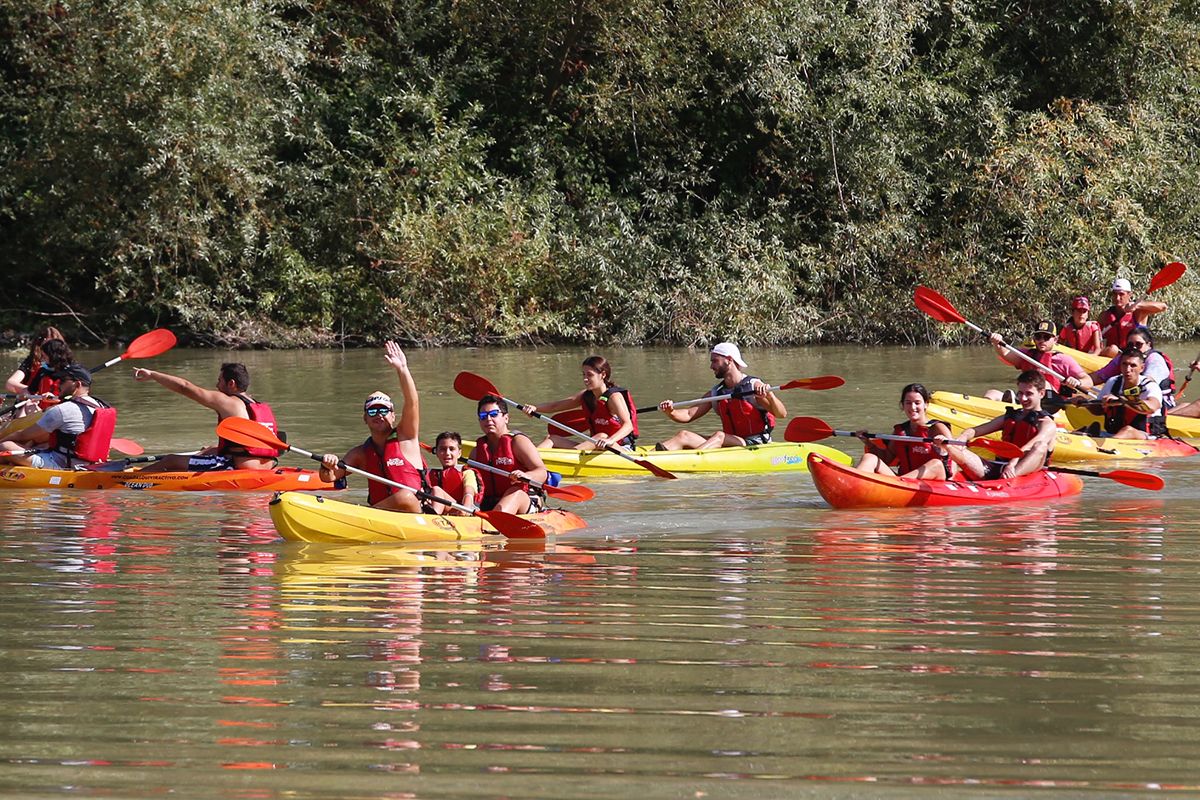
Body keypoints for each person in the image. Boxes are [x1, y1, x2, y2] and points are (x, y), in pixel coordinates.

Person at [318, 343, 440, 513]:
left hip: (417, 513)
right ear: (365, 418)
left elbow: (412, 402)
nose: (379, 414)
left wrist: (402, 369)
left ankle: (361, 515)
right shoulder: (360, 453)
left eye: (384, 410)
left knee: (405, 496)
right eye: (373, 410)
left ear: (393, 416)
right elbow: (328, 478)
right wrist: (327, 465)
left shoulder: (406, 436)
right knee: (403, 496)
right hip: (383, 517)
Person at [132, 361, 280, 472]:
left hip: (239, 467)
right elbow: (247, 446)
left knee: (170, 460)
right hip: (267, 466)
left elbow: (185, 387)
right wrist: (214, 450)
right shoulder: (258, 406)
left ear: (231, 383)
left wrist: (152, 375)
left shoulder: (229, 402)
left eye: (220, 381)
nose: (217, 385)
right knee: (209, 450)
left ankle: (127, 481)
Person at [654, 342, 787, 451]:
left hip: (754, 443)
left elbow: (781, 414)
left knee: (719, 436)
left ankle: (691, 459)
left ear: (729, 360)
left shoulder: (753, 386)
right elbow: (688, 414)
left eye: (715, 361)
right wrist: (670, 411)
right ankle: (644, 459)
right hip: (730, 442)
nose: (711, 366)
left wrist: (770, 396)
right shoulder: (717, 392)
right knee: (683, 435)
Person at [938, 370, 1058, 481]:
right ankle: (948, 474)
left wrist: (1012, 464)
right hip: (999, 466)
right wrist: (962, 437)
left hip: (1022, 467)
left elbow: (1029, 446)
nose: (1023, 398)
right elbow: (977, 430)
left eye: (1029, 394)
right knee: (957, 448)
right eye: (1020, 393)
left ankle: (1008, 479)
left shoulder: (1047, 423)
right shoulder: (1011, 416)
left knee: (1040, 446)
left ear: (1041, 393)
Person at [0, 363, 116, 469]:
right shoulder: (102, 406)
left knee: (5, 446)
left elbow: (22, 435)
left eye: (63, 381)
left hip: (63, 464)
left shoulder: (62, 410)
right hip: (92, 462)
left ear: (77, 384)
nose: (58, 384)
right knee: (39, 442)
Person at [520, 356, 637, 450]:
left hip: (620, 448)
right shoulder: (586, 395)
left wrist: (610, 440)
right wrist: (535, 408)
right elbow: (556, 406)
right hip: (597, 445)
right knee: (552, 438)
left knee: (602, 435)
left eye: (590, 375)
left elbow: (628, 426)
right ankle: (533, 460)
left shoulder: (614, 397)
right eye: (583, 374)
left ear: (603, 375)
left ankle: (569, 457)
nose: (585, 379)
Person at [853, 383, 955, 479]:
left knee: (936, 464)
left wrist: (946, 447)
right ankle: (854, 487)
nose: (913, 407)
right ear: (903, 405)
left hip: (934, 482)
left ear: (926, 404)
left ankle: (901, 481)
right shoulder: (901, 431)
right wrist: (868, 442)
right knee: (869, 458)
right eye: (908, 403)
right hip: (904, 483)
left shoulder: (938, 427)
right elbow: (887, 459)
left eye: (917, 403)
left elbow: (956, 458)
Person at [983, 321, 1092, 403]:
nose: (1041, 340)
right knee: (991, 393)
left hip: (1052, 405)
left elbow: (1088, 381)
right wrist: (997, 343)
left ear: (1055, 339)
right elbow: (1006, 354)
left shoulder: (1064, 360)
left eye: (1046, 337)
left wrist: (1077, 383)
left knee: (1044, 384)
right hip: (1026, 398)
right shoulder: (1026, 355)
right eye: (1038, 336)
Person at [474, 395, 549, 514]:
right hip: (490, 503)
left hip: (524, 499)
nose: (488, 419)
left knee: (514, 491)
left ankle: (496, 522)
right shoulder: (477, 451)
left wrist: (526, 475)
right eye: (483, 416)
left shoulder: (518, 442)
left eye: (494, 414)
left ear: (506, 418)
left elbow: (542, 472)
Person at [1074, 348, 1164, 439]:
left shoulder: (1149, 386)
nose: (1128, 369)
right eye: (1124, 364)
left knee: (1128, 430)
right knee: (1080, 431)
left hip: (1147, 436)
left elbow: (1151, 408)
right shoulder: (1113, 382)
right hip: (1116, 433)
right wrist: (1085, 403)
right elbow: (1099, 410)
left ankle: (1108, 446)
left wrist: (1122, 401)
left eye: (1133, 365)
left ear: (1141, 368)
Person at [1087, 327, 1174, 410]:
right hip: (1127, 401)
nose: (1134, 348)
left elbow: (1143, 386)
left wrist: (1119, 399)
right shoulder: (1122, 359)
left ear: (1149, 345)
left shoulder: (1155, 360)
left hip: (1160, 403)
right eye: (1130, 345)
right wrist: (1078, 382)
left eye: (1138, 344)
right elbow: (1099, 376)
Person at [1098, 277, 1166, 358]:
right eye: (1115, 294)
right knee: (1112, 349)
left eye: (1121, 294)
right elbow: (1097, 339)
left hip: (1135, 354)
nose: (1117, 298)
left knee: (1113, 349)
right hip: (1113, 356)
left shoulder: (1138, 312)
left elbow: (1163, 307)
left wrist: (1137, 305)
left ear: (1129, 295)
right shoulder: (1105, 316)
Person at [6, 337, 73, 417]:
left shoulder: (72, 372)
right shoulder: (42, 370)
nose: (43, 359)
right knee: (27, 405)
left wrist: (54, 399)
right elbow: (29, 390)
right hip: (43, 411)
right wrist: (27, 395)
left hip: (62, 411)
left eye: (45, 356)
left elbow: (74, 398)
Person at [426, 431, 482, 514]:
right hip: (446, 510)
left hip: (464, 510)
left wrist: (465, 509)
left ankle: (431, 519)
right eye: (442, 449)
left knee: (437, 490)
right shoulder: (431, 474)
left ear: (459, 453)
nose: (447, 453)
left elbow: (469, 493)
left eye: (451, 449)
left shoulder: (467, 472)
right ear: (437, 453)